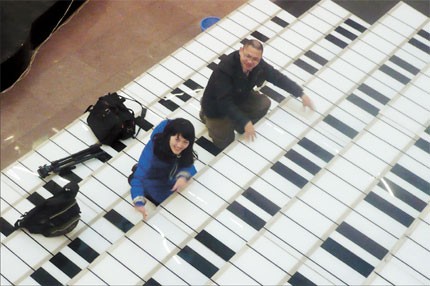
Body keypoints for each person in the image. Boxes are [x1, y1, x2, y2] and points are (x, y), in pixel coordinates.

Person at [200, 39, 314, 149]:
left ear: (260, 58)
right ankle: (205, 116)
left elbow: (276, 77)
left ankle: (239, 125)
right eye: (247, 56)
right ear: (240, 51)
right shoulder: (225, 69)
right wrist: (245, 121)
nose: (250, 61)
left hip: (240, 96)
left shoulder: (258, 64)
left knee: (263, 103)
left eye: (255, 59)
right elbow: (224, 103)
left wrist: (300, 93)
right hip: (217, 107)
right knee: (226, 143)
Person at [129, 118, 198, 219]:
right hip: (155, 184)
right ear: (169, 136)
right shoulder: (153, 152)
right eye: (177, 139)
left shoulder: (184, 150)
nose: (179, 145)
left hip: (170, 180)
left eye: (185, 142)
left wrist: (183, 176)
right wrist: (138, 202)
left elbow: (188, 165)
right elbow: (138, 179)